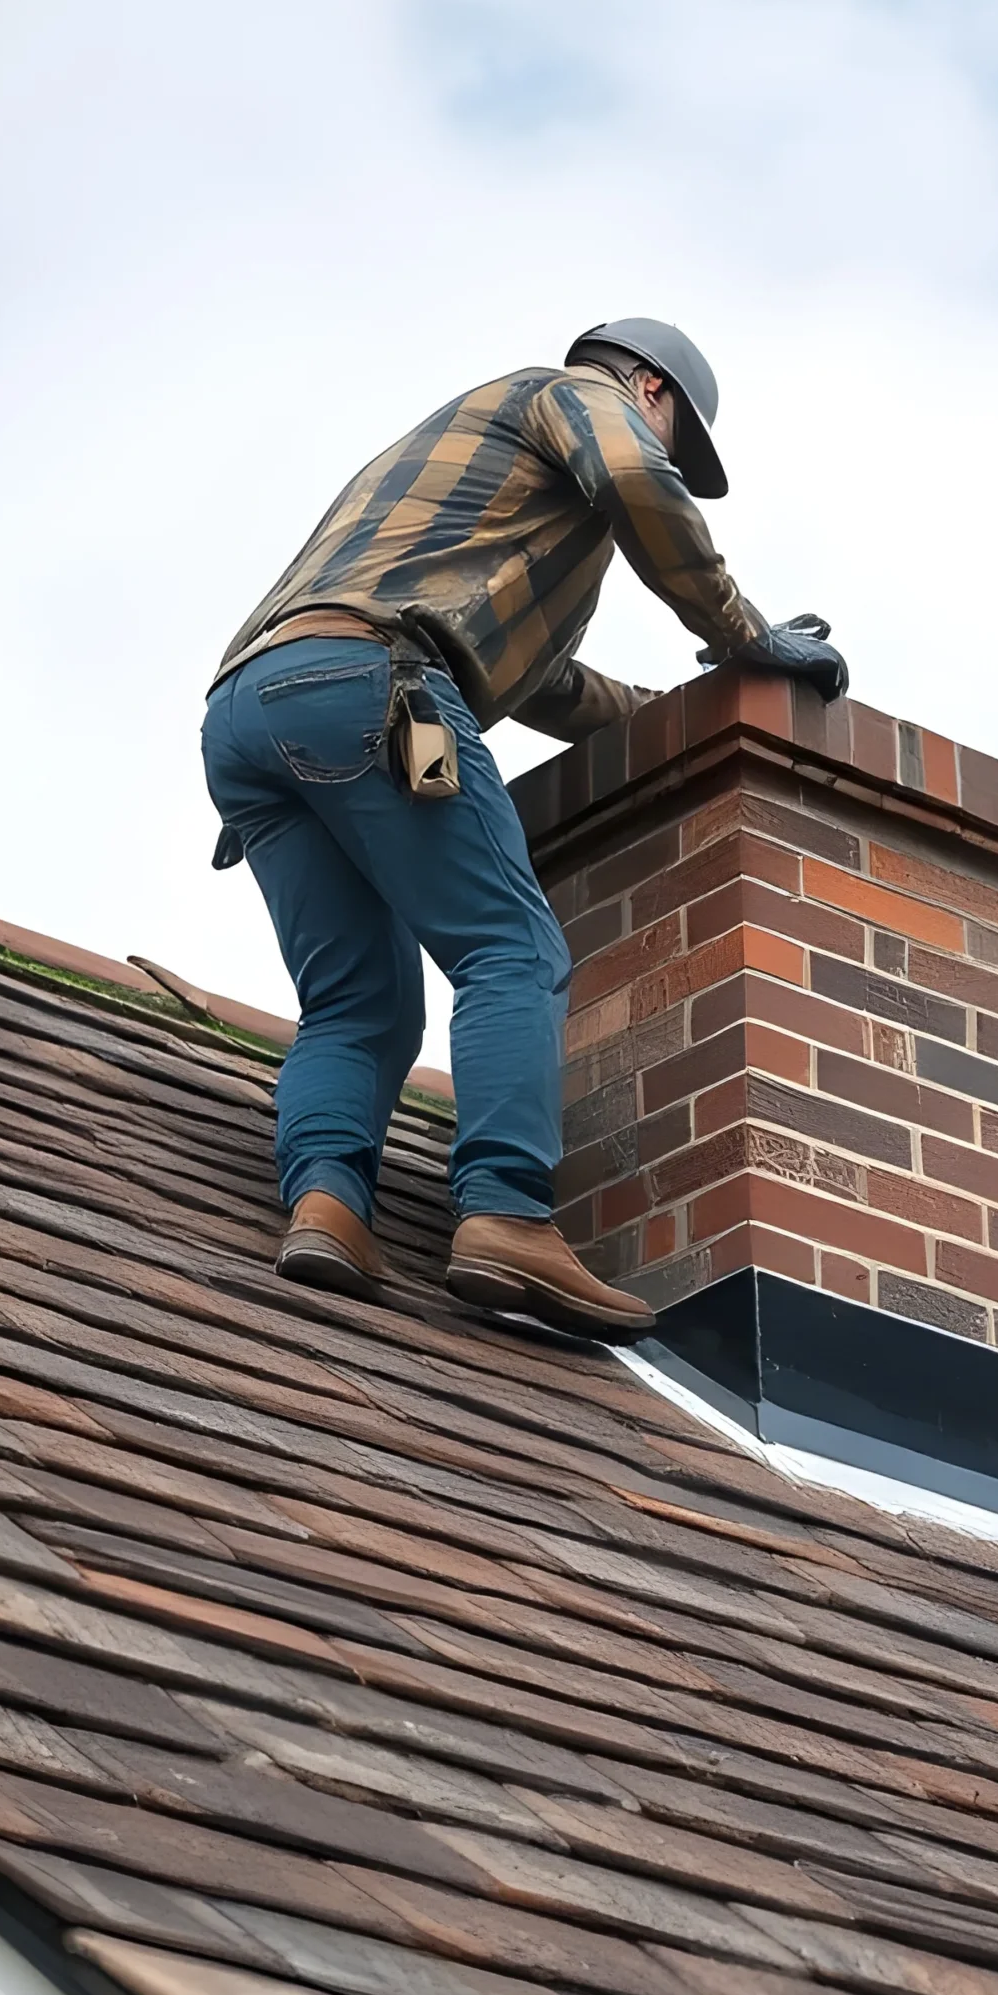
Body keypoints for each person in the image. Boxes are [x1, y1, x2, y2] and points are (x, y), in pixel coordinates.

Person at [200, 320, 846, 1341]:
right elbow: (640, 480)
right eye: (675, 438)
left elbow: (542, 682)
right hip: (375, 683)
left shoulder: (470, 492)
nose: (667, 458)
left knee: (359, 1008)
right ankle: (506, 1214)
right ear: (649, 386)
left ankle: (327, 1207)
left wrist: (696, 706)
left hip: (250, 710)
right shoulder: (569, 396)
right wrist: (745, 635)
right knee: (513, 949)